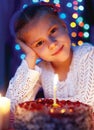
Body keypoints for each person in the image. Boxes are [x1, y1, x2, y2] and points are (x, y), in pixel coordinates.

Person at [6, 2, 94, 111]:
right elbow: (12, 107)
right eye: (39, 43)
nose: (52, 44)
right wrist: (30, 57)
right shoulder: (42, 69)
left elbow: (87, 105)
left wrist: (45, 109)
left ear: (63, 26)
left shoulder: (87, 54)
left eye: (53, 31)